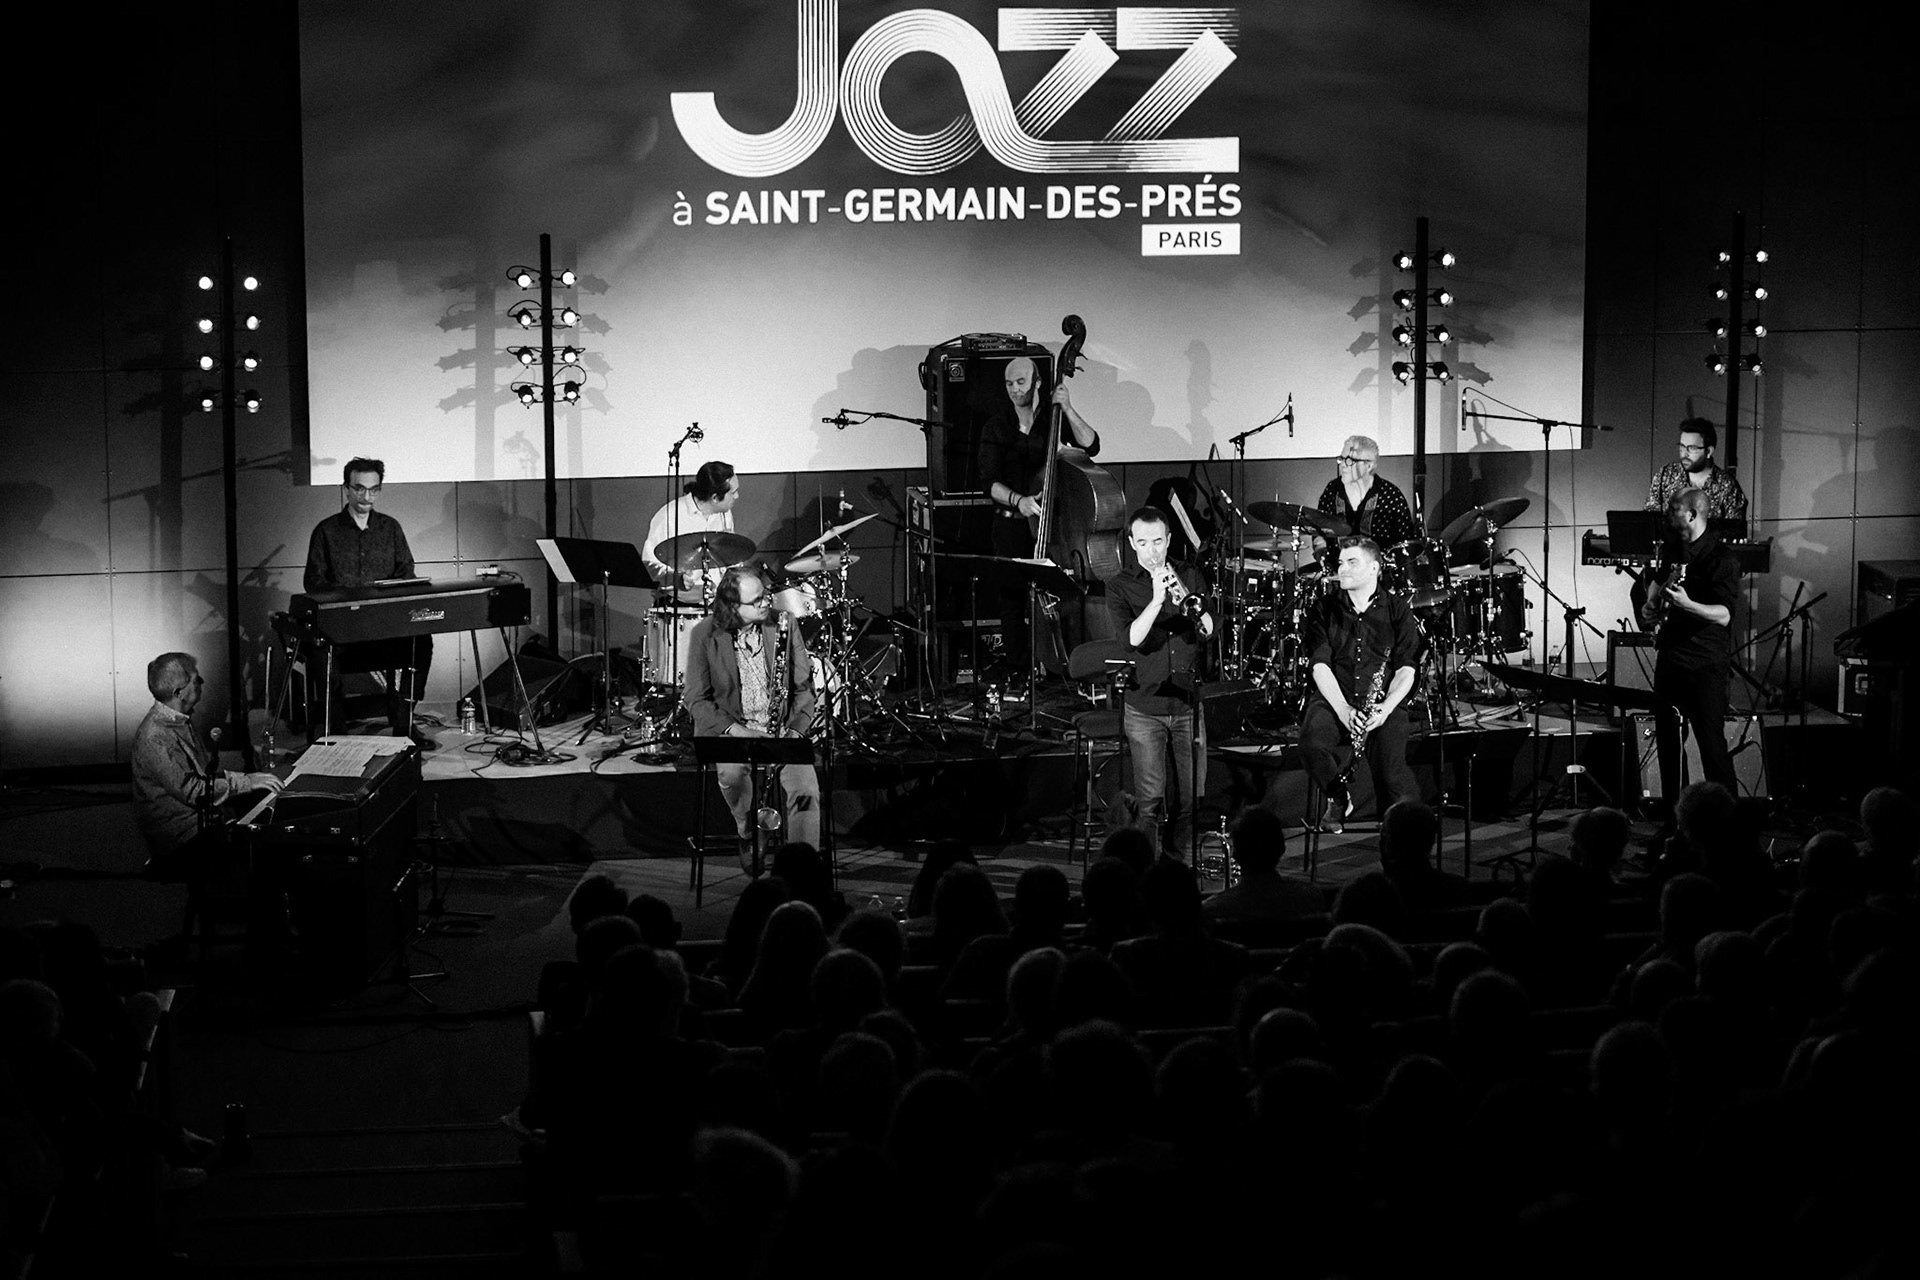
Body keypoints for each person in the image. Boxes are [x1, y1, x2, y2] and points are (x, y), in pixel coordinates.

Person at [683, 566, 821, 871]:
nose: (766, 603)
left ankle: (803, 869)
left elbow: (804, 688)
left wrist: (795, 731)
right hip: (735, 732)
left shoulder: (784, 624)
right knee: (731, 776)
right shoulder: (704, 634)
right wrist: (737, 731)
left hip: (783, 731)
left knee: (807, 792)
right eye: (757, 600)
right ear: (733, 607)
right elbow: (695, 699)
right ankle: (750, 832)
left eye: (765, 595)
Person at [979, 354, 1100, 672]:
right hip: (1010, 525)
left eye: (1021, 382)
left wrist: (1069, 408)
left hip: (1054, 528)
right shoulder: (996, 425)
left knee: (1064, 593)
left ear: (1037, 382)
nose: (1014, 389)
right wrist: (1019, 500)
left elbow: (1091, 445)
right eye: (1009, 383)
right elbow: (987, 483)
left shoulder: (1054, 418)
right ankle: (1020, 669)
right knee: (1012, 602)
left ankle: (1066, 664)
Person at [1105, 507, 1214, 858]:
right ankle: (1144, 872)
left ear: (1168, 540)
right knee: (1150, 800)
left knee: (1191, 797)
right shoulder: (1119, 585)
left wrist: (1185, 602)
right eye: (1143, 543)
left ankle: (1175, 865)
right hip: (1145, 706)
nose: (1152, 552)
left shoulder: (1190, 574)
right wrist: (1155, 601)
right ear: (1132, 545)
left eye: (1157, 542)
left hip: (1186, 703)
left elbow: (1209, 630)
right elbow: (1130, 640)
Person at [302, 456, 433, 745]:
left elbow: (405, 572)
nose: (366, 497)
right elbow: (314, 581)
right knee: (320, 652)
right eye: (359, 489)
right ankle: (334, 732)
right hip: (342, 631)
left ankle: (404, 722)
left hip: (383, 627)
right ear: (346, 489)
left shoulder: (390, 528)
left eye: (373, 490)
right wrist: (347, 602)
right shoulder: (326, 530)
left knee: (421, 641)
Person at [1300, 537, 1423, 832]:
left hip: (1383, 701)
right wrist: (1342, 710)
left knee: (1391, 777)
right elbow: (1320, 665)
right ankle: (1338, 797)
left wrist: (1385, 708)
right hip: (1336, 696)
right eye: (1341, 563)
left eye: (1351, 562)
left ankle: (1393, 839)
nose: (1342, 569)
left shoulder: (1397, 610)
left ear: (1374, 568)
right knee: (1311, 744)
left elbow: (1407, 668)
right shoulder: (1323, 608)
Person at [131, 653, 284, 875]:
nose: (202, 683)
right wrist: (246, 782)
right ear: (179, 693)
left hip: (196, 823)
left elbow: (203, 775)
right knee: (264, 853)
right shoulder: (156, 736)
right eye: (196, 680)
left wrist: (250, 780)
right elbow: (196, 792)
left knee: (263, 817)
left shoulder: (178, 721)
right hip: (180, 837)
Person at [1647, 487, 1741, 811]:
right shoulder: (1675, 548)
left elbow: (1724, 614)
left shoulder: (1722, 559)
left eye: (1673, 509)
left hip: (1705, 665)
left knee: (1711, 746)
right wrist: (1651, 601)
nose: (1668, 516)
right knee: (1669, 745)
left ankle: (1727, 825)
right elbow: (1658, 580)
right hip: (1672, 658)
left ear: (1691, 514)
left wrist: (1688, 604)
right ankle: (1676, 823)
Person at [644, 459, 741, 603]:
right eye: (733, 493)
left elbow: (728, 555)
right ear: (715, 498)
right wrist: (676, 578)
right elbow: (649, 562)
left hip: (715, 601)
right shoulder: (670, 515)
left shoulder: (725, 514)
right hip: (678, 603)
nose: (737, 496)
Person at [1314, 434, 1420, 552]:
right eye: (1341, 459)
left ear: (1369, 466)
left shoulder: (1391, 496)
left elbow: (1405, 543)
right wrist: (1320, 546)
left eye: (1350, 460)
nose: (1343, 465)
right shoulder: (1332, 490)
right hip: (1339, 567)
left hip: (1379, 568)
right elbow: (1317, 527)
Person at [1644, 417, 1747, 523]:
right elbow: (1650, 519)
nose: (1684, 454)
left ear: (1708, 451)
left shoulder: (1727, 485)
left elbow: (1735, 529)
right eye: (1682, 447)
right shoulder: (1665, 475)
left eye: (1692, 448)